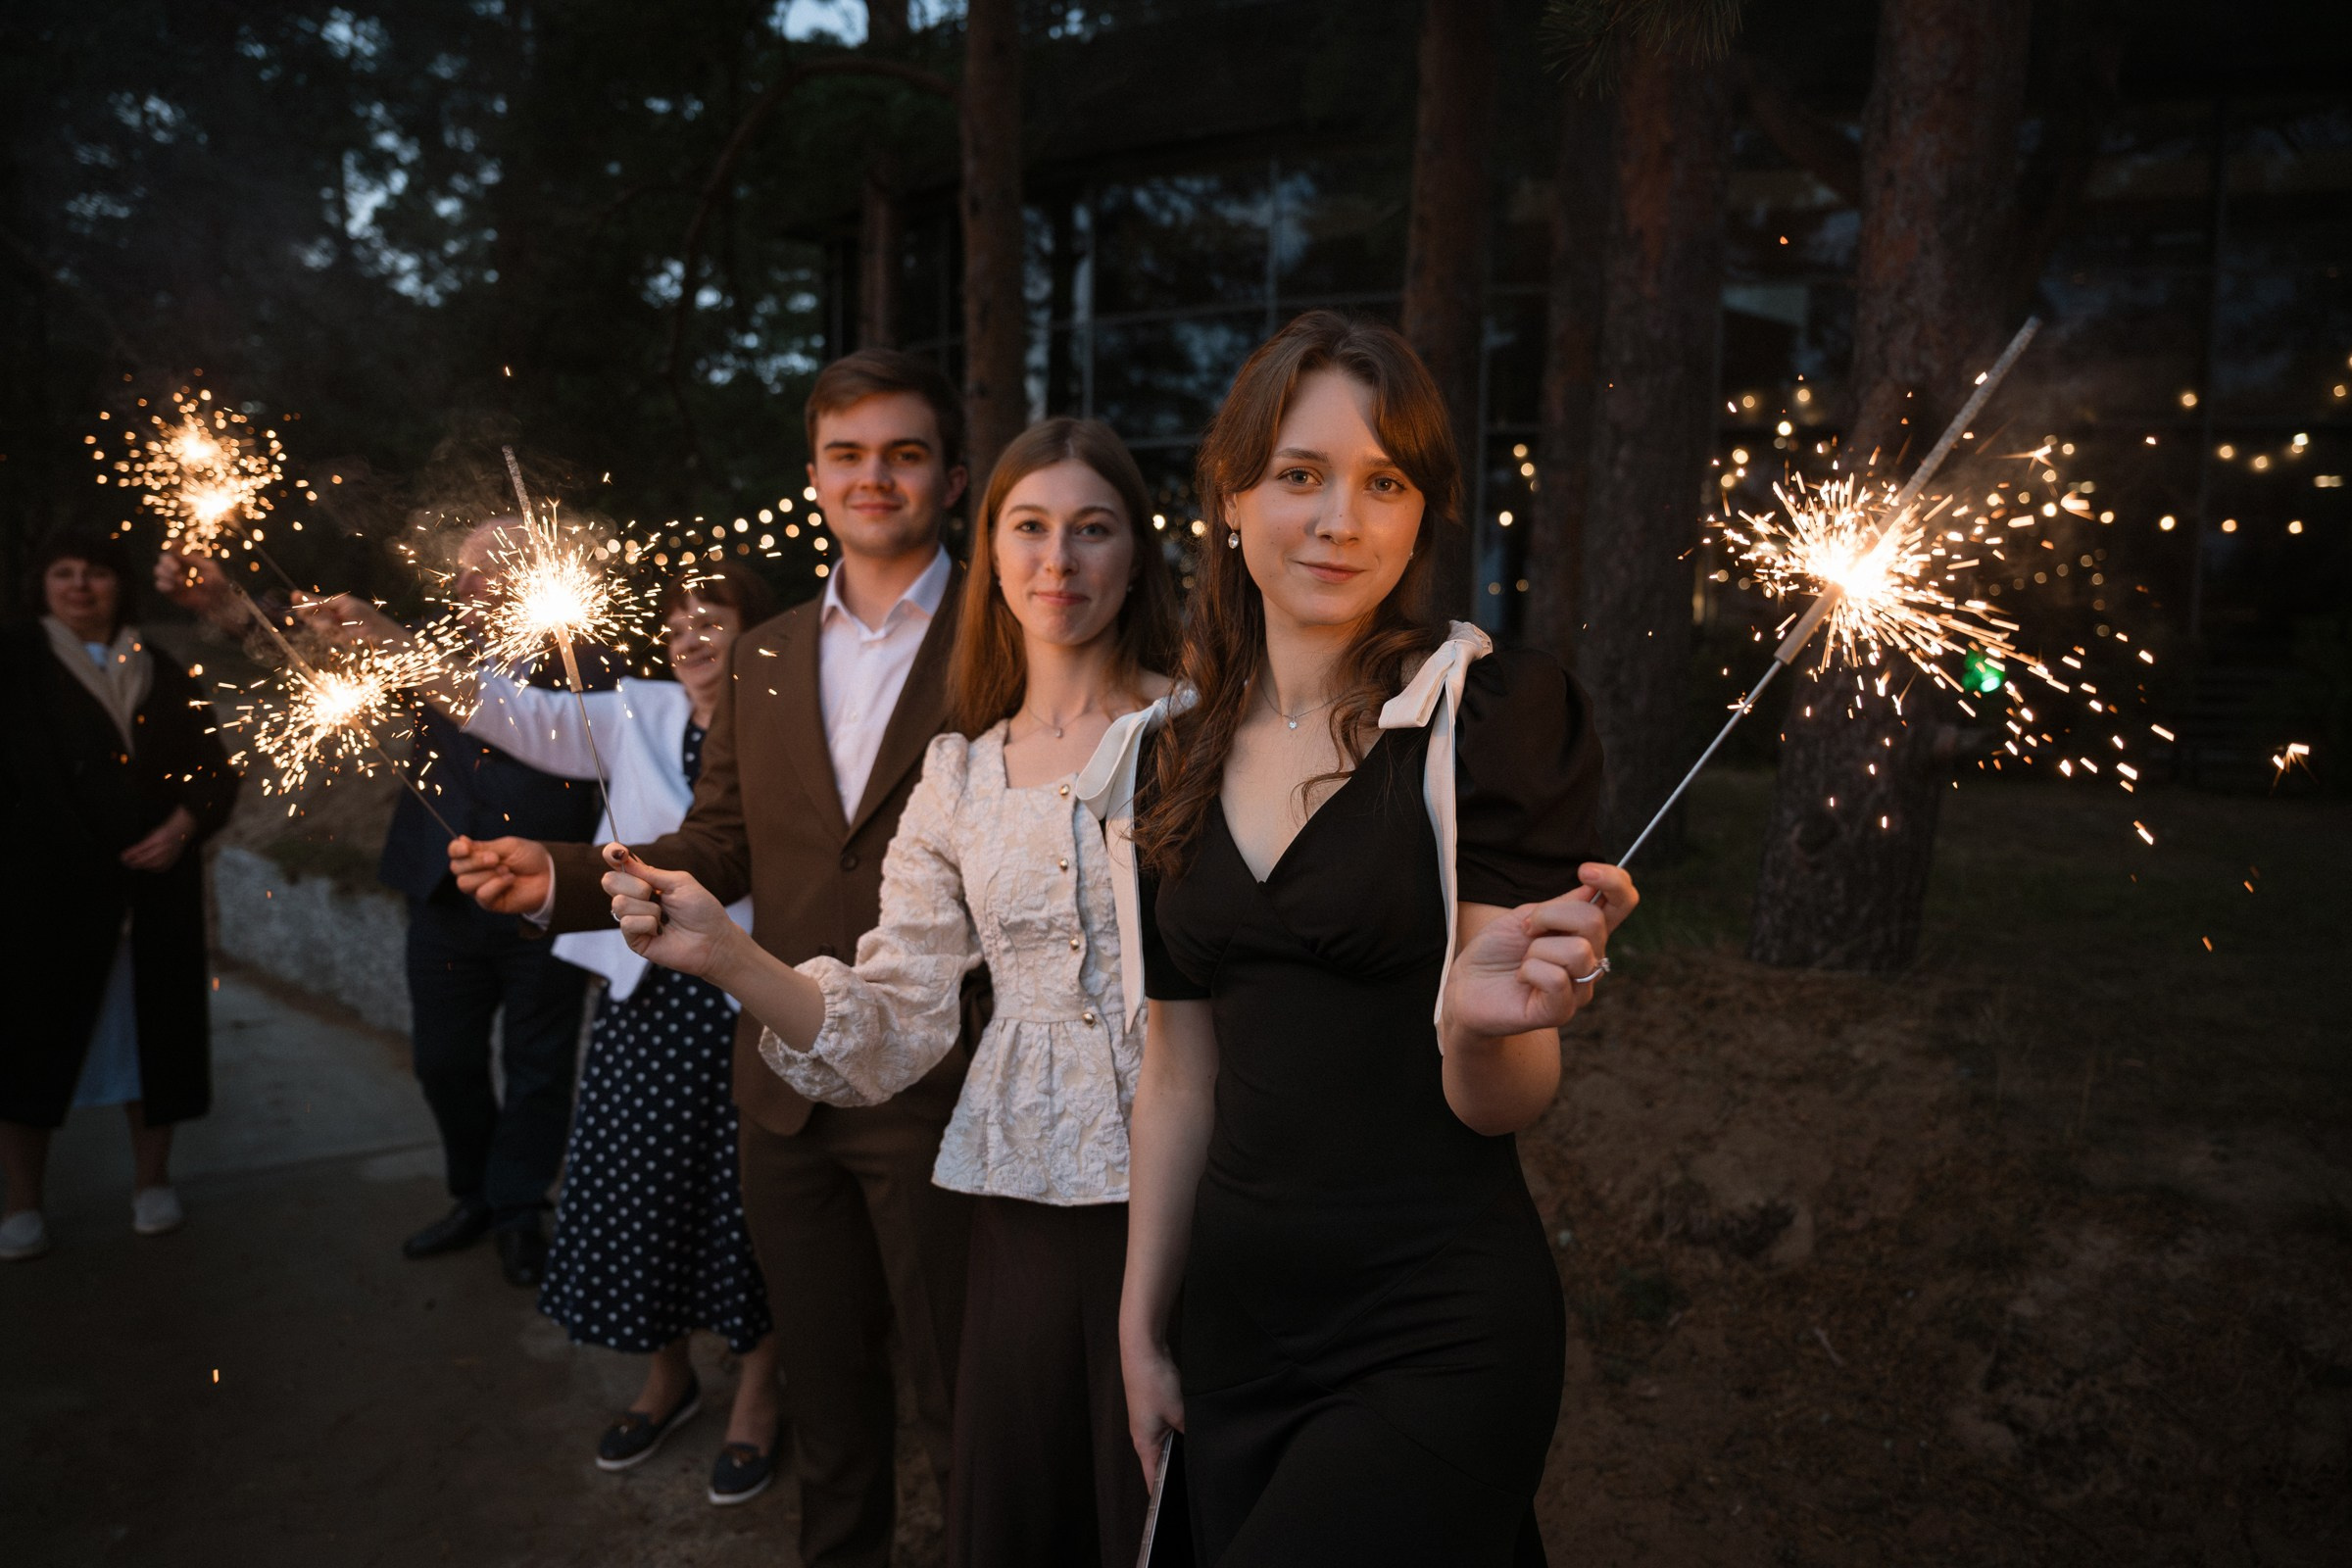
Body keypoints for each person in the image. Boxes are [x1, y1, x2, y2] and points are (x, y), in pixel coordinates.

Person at [600, 417, 1178, 1567]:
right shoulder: (959, 772)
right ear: (994, 551)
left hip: (1189, 1186)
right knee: (1034, 1498)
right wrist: (728, 955)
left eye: (1092, 528)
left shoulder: (1204, 732)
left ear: (1134, 554)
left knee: (1162, 1498)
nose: (1058, 559)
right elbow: (892, 1018)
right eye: (1031, 527)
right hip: (1018, 1204)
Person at [1112, 313, 1642, 1565]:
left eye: (1384, 481)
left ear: (1418, 518)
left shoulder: (1490, 721)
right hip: (1238, 1325)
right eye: (1300, 475)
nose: (1339, 519)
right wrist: (1139, 1327)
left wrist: (1476, 1025)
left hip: (1434, 1324)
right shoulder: (1162, 757)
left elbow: (1507, 1099)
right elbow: (1180, 1079)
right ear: (1233, 499)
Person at [450, 349, 978, 1568]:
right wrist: (566, 876)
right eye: (847, 454)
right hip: (784, 1081)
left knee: (961, 1407)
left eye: (903, 452)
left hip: (944, 1083)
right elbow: (725, 838)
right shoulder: (770, 649)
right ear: (813, 477)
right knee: (834, 1412)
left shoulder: (1003, 630)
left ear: (950, 477)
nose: (874, 476)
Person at [318, 562, 786, 1503]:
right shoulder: (636, 713)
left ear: (759, 632)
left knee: (752, 1202)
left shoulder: (791, 721)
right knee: (637, 1189)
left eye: (716, 618)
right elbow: (514, 713)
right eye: (677, 621)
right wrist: (386, 641)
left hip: (755, 996)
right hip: (649, 1001)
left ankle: (762, 1396)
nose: (693, 636)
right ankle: (667, 1377)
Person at [1, 530, 240, 1261]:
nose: (80, 586)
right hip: (43, 896)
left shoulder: (160, 667)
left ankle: (151, 1184)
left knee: (154, 1036)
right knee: (27, 1045)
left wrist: (181, 825)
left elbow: (212, 770)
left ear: (119, 586)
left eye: (96, 574)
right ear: (42, 584)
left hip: (155, 891)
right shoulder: (14, 665)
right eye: (64, 573)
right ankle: (21, 1206)